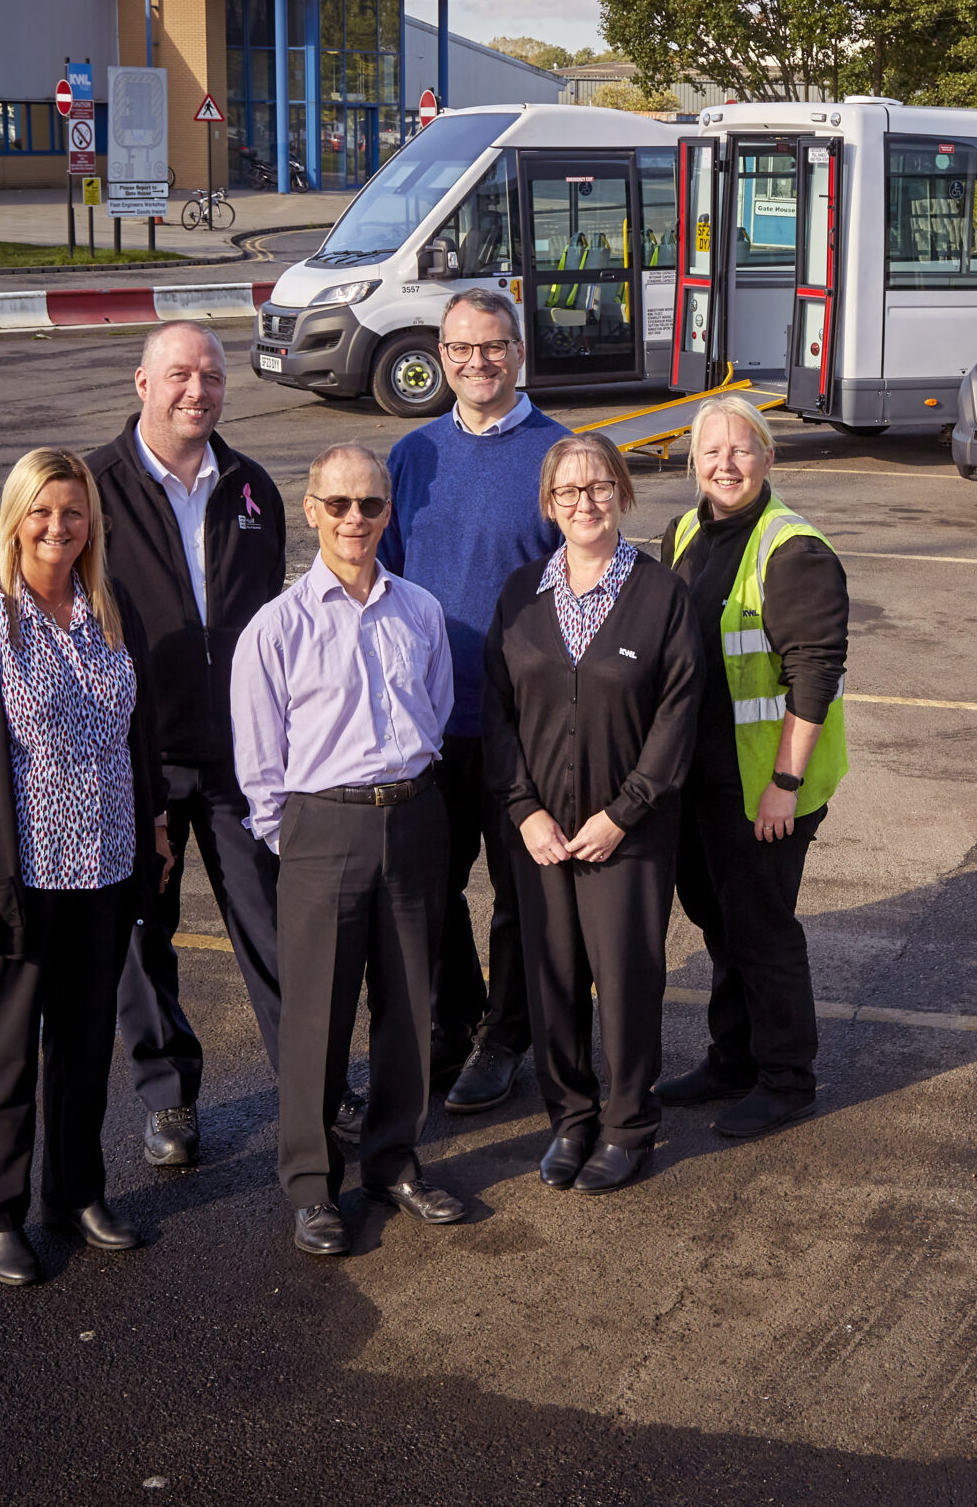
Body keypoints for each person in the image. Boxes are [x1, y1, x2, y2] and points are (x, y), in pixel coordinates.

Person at [0, 448, 174, 1287]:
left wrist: (154, 827)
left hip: (103, 867)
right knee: (1, 1057)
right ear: (15, 516)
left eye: (73, 513)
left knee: (84, 1044)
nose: (59, 528)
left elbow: (137, 734)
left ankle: (75, 1192)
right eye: (43, 512)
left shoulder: (110, 606)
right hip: (17, 883)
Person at [232, 443, 465, 1257]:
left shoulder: (421, 612)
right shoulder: (276, 627)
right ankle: (311, 1185)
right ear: (311, 510)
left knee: (409, 1007)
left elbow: (433, 713)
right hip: (321, 829)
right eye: (339, 504)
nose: (355, 519)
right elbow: (260, 766)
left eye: (369, 504)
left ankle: (394, 1161)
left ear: (388, 512)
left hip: (413, 817)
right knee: (317, 1017)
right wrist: (299, 841)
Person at [86, 319, 306, 1170]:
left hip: (243, 761)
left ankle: (312, 1082)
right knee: (145, 939)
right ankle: (168, 1097)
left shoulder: (250, 487)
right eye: (178, 374)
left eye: (211, 377)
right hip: (140, 759)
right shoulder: (93, 488)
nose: (196, 391)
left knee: (276, 924)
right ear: (141, 382)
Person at [482, 434, 704, 1195]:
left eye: (600, 486)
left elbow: (678, 715)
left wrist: (623, 812)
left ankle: (628, 1124)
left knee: (628, 977)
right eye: (569, 491)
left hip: (629, 834)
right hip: (540, 832)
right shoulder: (519, 595)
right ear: (548, 505)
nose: (585, 502)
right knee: (552, 979)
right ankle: (571, 1119)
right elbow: (499, 713)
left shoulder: (661, 594)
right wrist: (524, 811)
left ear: (623, 493)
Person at [379, 288, 566, 1117]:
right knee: (427, 887)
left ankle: (507, 1037)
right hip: (427, 720)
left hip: (522, 726)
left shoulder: (559, 453)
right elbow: (376, 576)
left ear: (518, 352)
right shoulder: (412, 453)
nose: (475, 362)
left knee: (522, 894)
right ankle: (452, 1021)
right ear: (442, 355)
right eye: (460, 348)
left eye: (491, 347)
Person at [659, 396, 850, 1140]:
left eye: (742, 450)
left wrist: (785, 784)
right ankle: (731, 1057)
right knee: (720, 924)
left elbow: (814, 675)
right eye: (711, 452)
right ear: (694, 463)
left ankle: (786, 1076)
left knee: (763, 931)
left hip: (765, 787)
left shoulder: (791, 549)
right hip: (701, 780)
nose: (725, 464)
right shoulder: (685, 532)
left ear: (770, 458)